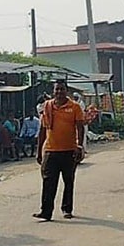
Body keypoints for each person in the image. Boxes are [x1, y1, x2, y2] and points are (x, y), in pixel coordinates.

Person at [33, 80, 85, 221]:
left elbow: (80, 128)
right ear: (53, 91)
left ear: (66, 91)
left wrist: (79, 146)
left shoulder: (75, 107)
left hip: (69, 150)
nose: (59, 92)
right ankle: (46, 212)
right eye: (57, 89)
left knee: (68, 181)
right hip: (51, 151)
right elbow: (43, 130)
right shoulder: (48, 106)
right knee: (48, 182)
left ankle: (67, 209)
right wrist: (39, 151)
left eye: (62, 89)